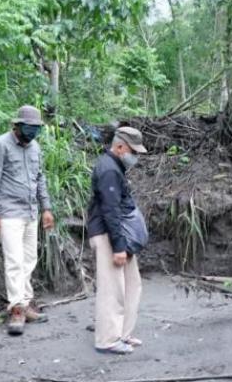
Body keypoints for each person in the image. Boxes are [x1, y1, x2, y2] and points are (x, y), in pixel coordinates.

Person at [0, 105, 55, 336]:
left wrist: (47, 208)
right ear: (16, 125)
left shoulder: (35, 147)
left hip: (31, 212)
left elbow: (40, 178)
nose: (33, 132)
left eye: (36, 128)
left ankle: (25, 303)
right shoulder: (0, 145)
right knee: (14, 260)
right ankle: (16, 308)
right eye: (29, 127)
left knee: (29, 259)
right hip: (9, 211)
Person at [87, 126, 149, 355]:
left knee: (132, 284)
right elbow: (110, 211)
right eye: (133, 151)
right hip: (108, 235)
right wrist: (119, 247)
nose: (135, 156)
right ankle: (107, 339)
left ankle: (124, 333)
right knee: (112, 289)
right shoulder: (109, 170)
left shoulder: (115, 166)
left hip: (118, 234)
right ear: (120, 146)